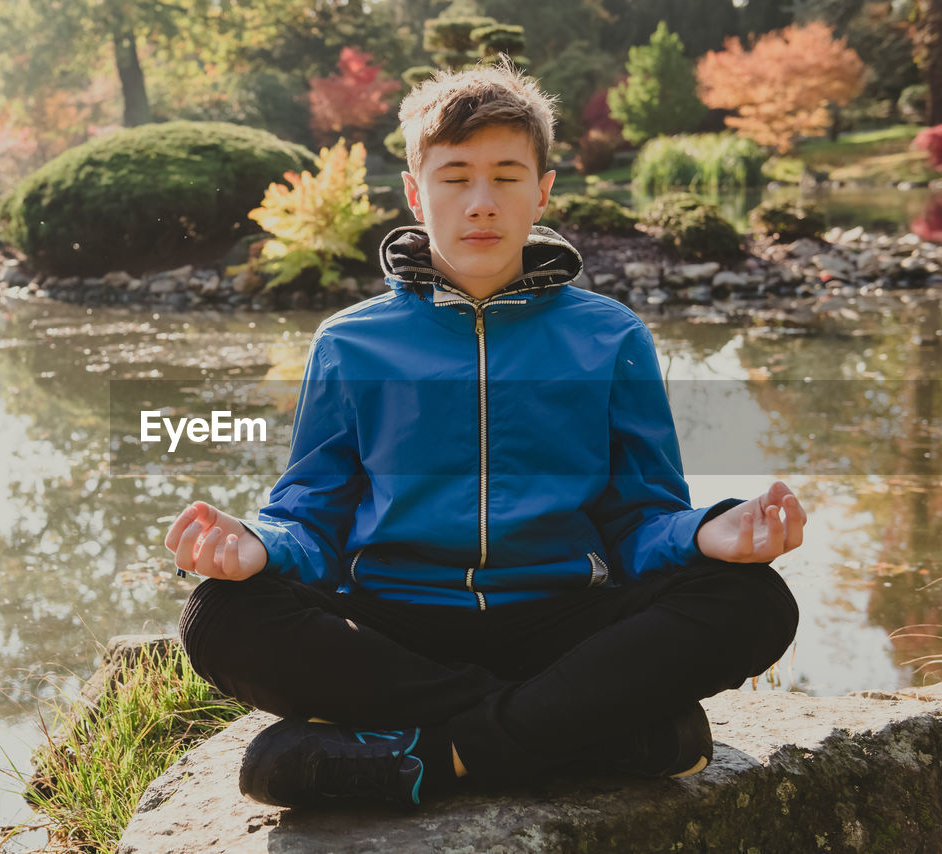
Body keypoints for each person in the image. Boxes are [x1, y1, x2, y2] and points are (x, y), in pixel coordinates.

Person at [165, 58, 803, 810]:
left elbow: (639, 519)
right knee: (219, 615)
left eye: (506, 176)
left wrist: (705, 535)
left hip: (561, 619)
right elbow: (313, 514)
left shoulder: (610, 336)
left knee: (754, 601)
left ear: (542, 192)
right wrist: (260, 545)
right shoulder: (350, 343)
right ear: (414, 192)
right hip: (396, 629)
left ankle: (446, 751)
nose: (480, 203)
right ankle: (578, 725)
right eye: (455, 176)